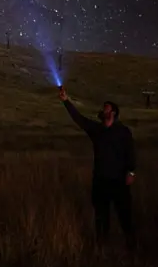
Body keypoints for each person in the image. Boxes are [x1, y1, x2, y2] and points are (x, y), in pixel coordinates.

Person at [58, 86, 136, 249]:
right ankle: (102, 248)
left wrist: (131, 172)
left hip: (119, 181)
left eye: (105, 108)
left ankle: (132, 246)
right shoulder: (97, 130)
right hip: (100, 181)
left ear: (113, 113)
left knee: (125, 215)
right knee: (101, 216)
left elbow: (130, 152)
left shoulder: (123, 132)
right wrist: (66, 101)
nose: (102, 110)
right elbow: (79, 119)